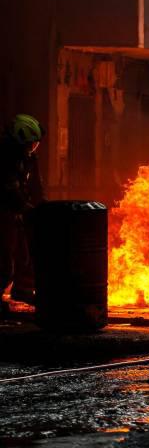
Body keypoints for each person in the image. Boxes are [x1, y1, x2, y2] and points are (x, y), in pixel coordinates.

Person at [0, 114, 45, 312]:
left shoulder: (28, 158)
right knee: (4, 257)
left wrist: (42, 207)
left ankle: (24, 289)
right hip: (3, 213)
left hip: (15, 213)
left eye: (35, 144)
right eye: (30, 144)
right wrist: (26, 208)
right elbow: (9, 191)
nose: (33, 148)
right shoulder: (5, 159)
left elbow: (36, 187)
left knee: (25, 253)